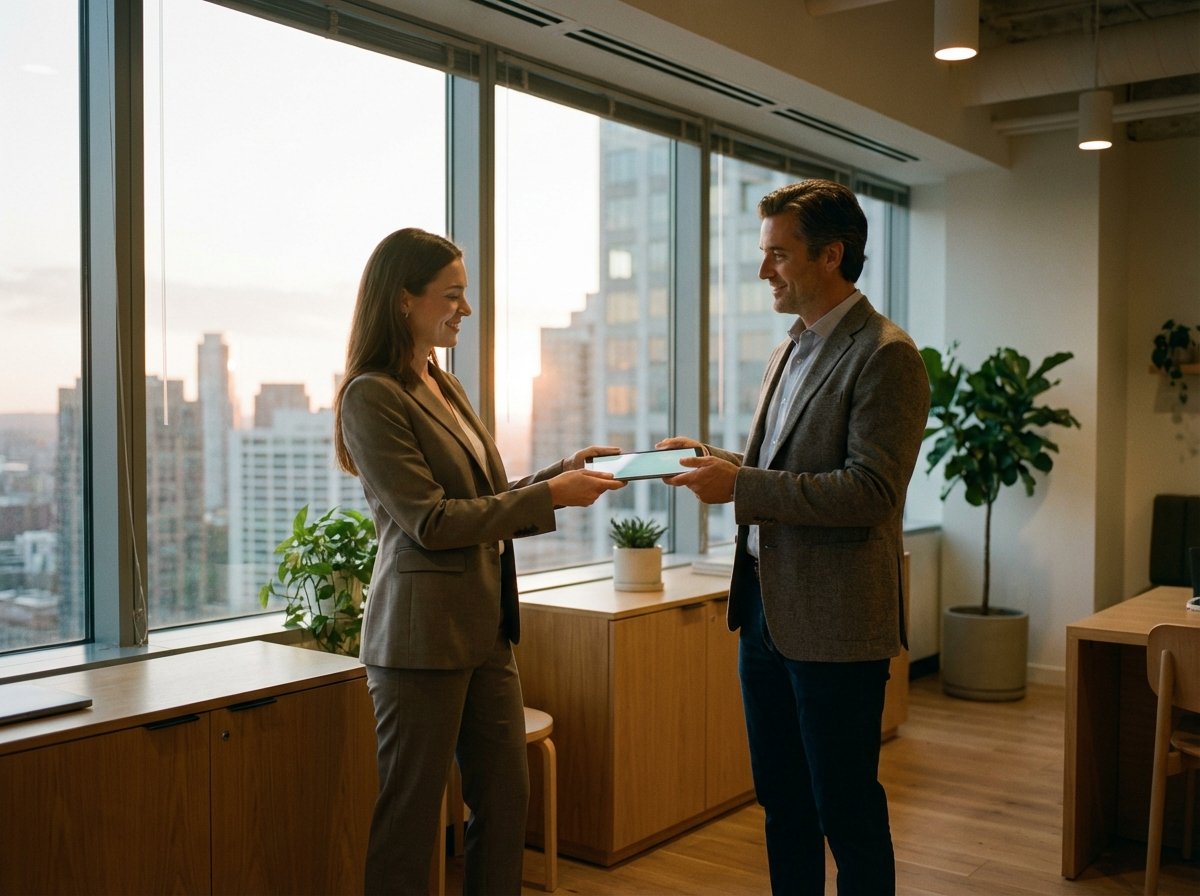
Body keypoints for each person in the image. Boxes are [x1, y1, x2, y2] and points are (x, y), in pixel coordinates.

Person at [333, 227, 624, 896]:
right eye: (452, 295)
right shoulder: (370, 395)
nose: (465, 310)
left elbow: (484, 500)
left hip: (485, 631)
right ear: (404, 299)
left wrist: (560, 475)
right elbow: (430, 522)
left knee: (504, 802)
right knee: (408, 821)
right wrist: (551, 495)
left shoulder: (443, 383)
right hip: (420, 641)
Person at [659, 180, 929, 895]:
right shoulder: (791, 349)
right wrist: (723, 466)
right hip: (766, 619)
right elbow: (791, 473)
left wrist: (741, 488)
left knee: (847, 810)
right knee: (783, 806)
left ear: (831, 255)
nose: (763, 270)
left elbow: (869, 492)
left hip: (836, 626)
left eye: (778, 254)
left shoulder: (886, 355)